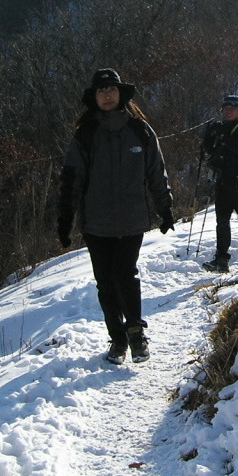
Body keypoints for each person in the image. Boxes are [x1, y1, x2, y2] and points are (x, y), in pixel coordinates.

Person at [57, 68, 175, 365]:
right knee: (105, 283)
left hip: (132, 219)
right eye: (101, 91)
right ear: (94, 98)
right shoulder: (85, 134)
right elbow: (72, 178)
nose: (107, 95)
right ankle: (118, 340)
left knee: (125, 275)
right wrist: (64, 219)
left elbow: (155, 173)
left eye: (112, 90)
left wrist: (165, 208)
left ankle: (136, 334)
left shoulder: (140, 130)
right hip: (96, 224)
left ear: (121, 94)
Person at [200, 94, 238, 273]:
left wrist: (223, 138)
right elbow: (210, 150)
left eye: (232, 108)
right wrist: (210, 137)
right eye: (225, 108)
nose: (228, 111)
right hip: (223, 180)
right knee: (222, 221)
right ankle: (221, 259)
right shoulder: (219, 129)